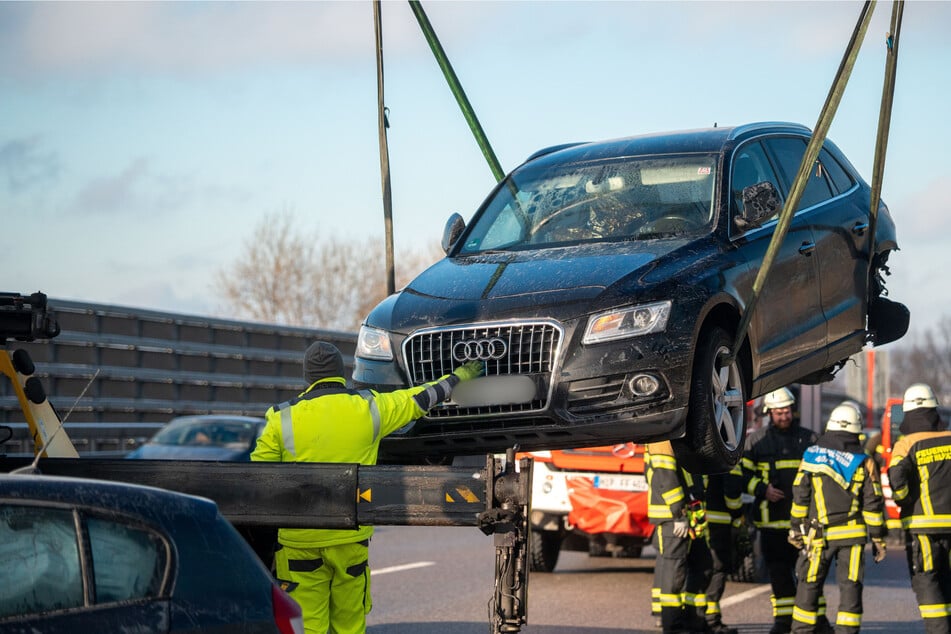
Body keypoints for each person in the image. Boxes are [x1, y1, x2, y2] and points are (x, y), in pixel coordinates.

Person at [251, 341, 483, 634]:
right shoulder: (369, 407)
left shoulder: (282, 417)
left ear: (307, 377)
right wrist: (458, 377)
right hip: (350, 538)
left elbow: (258, 478)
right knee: (349, 624)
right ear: (341, 373)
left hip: (299, 543)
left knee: (307, 625)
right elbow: (421, 398)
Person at [788, 402, 887, 634]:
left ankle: (801, 630)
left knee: (808, 586)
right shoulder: (865, 461)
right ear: (857, 430)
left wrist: (796, 528)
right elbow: (873, 505)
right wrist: (879, 539)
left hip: (817, 536)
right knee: (850, 588)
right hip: (852, 538)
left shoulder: (812, 456)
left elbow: (800, 494)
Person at [742, 387, 819, 634]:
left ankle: (815, 622)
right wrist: (762, 489)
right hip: (771, 523)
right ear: (769, 413)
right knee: (778, 575)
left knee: (809, 576)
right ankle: (783, 622)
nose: (783, 416)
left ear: (793, 410)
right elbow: (741, 475)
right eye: (778, 412)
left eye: (786, 411)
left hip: (804, 524)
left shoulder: (810, 439)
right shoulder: (756, 441)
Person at [888, 383, 951, 634]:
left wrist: (905, 501)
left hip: (922, 525)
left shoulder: (906, 444)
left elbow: (898, 483)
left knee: (927, 579)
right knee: (947, 578)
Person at [646, 440, 712, 634]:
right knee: (674, 574)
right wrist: (679, 515)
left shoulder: (680, 436)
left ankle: (695, 620)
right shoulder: (661, 440)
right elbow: (666, 478)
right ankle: (673, 626)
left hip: (690, 515)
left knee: (703, 566)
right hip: (673, 519)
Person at [702, 465, 744, 634]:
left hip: (700, 518)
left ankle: (698, 617)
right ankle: (712, 619)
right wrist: (737, 514)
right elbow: (732, 492)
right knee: (718, 569)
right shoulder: (728, 458)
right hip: (720, 520)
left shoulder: (699, 455)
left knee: (701, 569)